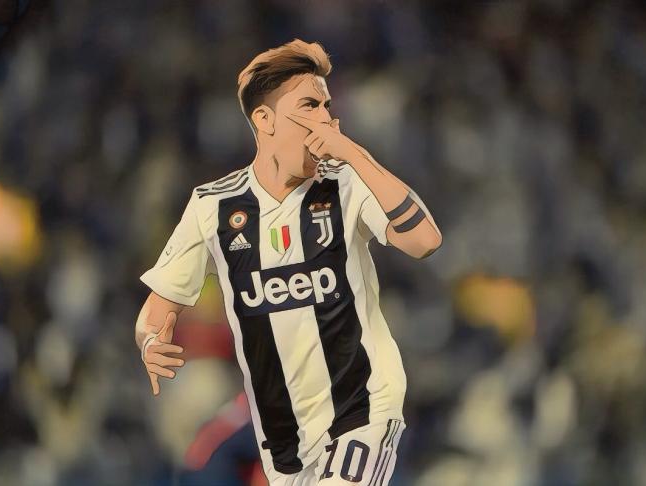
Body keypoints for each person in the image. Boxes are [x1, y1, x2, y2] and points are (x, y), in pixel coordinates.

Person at [135, 39, 442, 486]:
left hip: (362, 410)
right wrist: (150, 341)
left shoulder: (347, 183)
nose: (326, 119)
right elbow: (155, 311)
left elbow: (424, 240)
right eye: (309, 106)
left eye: (327, 106)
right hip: (284, 438)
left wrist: (354, 154)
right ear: (265, 119)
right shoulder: (212, 206)